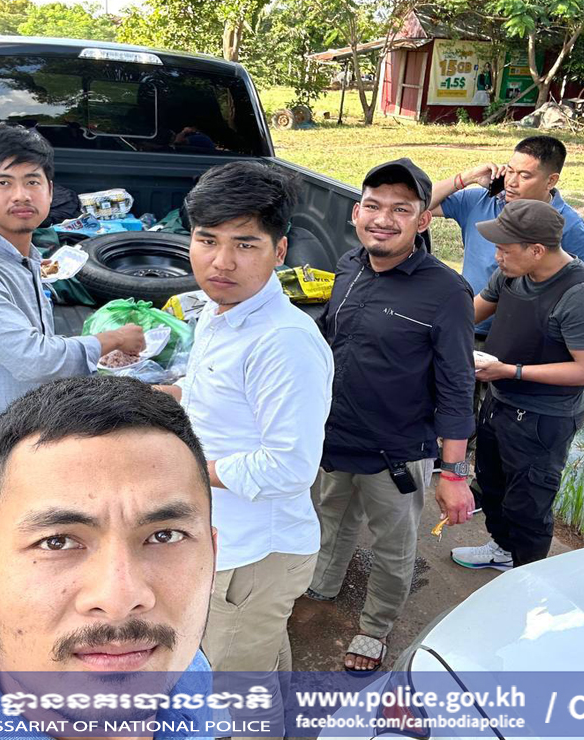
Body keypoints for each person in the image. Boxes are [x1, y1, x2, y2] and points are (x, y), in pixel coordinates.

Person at [0, 376, 217, 739]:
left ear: (213, 560)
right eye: (56, 542)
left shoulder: (184, 667)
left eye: (165, 536)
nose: (119, 599)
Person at [157, 161, 332, 735]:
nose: (221, 262)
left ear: (279, 251)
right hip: (227, 537)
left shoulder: (282, 342)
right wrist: (168, 396)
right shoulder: (218, 312)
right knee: (260, 663)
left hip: (254, 553)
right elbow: (216, 397)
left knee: (233, 699)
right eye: (207, 240)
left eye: (245, 244)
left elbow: (290, 465)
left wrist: (186, 470)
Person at [308, 158, 476, 672]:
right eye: (373, 206)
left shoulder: (446, 291)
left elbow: (457, 386)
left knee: (392, 547)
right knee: (330, 519)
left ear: (422, 221)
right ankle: (322, 584)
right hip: (335, 438)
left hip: (396, 450)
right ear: (356, 213)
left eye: (400, 210)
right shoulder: (348, 265)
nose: (383, 219)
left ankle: (375, 627)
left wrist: (454, 472)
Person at [0, 123, 145, 493]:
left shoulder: (26, 256)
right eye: (3, 183)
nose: (21, 195)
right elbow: (35, 359)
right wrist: (111, 339)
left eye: (32, 181)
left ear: (49, 190)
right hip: (1, 458)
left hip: (39, 438)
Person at [450, 199, 584, 571]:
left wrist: (511, 371)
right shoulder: (511, 274)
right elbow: (471, 313)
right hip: (500, 400)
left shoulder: (581, 295)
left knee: (528, 504)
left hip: (543, 418)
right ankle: (503, 549)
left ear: (537, 250)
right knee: (492, 484)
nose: (496, 257)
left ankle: (527, 575)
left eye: (504, 249)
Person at [429, 135, 584, 338]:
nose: (511, 182)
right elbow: (419, 206)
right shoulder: (482, 200)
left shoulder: (569, 225)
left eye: (524, 176)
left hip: (524, 339)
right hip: (467, 323)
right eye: (509, 171)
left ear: (551, 180)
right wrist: (467, 177)